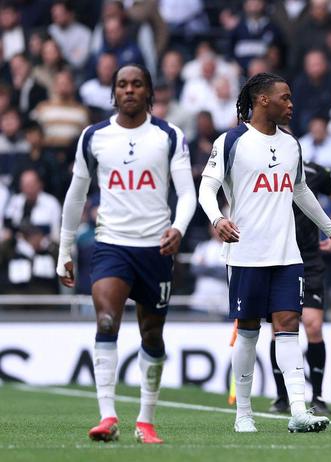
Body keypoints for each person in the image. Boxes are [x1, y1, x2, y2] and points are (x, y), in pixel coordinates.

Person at [198, 72, 331, 433]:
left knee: (288, 326)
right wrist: (217, 219)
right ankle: (243, 414)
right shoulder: (232, 141)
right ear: (262, 100)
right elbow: (207, 188)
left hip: (287, 255)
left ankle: (299, 410)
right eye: (284, 98)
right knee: (249, 331)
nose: (291, 104)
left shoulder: (291, 144)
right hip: (245, 254)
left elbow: (300, 191)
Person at [55, 63, 196, 444]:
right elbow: (76, 195)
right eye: (122, 84)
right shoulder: (94, 136)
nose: (129, 90)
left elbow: (187, 193)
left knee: (152, 333)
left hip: (155, 248)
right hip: (112, 245)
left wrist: (179, 228)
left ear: (148, 92)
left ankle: (145, 421)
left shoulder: (169, 136)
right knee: (106, 321)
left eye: (136, 84)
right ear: (113, 92)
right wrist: (65, 247)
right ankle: (107, 416)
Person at [270, 160, 331, 416]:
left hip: (309, 259)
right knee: (280, 328)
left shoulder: (314, 172)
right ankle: (282, 396)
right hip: (276, 257)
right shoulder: (264, 167)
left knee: (313, 325)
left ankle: (317, 396)